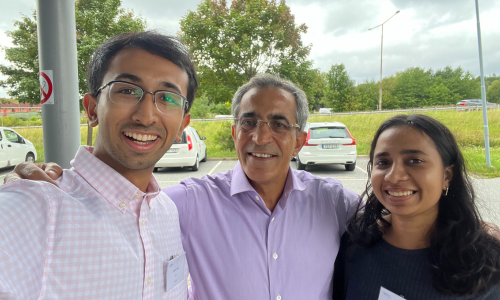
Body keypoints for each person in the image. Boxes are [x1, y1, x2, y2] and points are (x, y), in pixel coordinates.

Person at [9, 74, 359, 300]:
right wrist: (58, 186)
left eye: (279, 124)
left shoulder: (333, 201)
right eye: (248, 121)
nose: (260, 136)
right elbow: (122, 205)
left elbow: (399, 226)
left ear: (299, 140)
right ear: (235, 133)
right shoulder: (191, 202)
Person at [0, 31, 198, 299]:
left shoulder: (166, 212)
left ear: (181, 126)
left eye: (168, 98)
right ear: (92, 109)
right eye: (127, 91)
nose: (146, 115)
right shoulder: (38, 205)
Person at [332, 114, 500, 299]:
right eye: (383, 162)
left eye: (414, 161)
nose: (393, 176)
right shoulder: (355, 245)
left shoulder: (485, 263)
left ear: (447, 176)